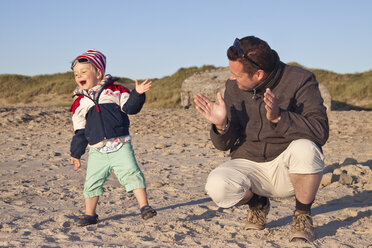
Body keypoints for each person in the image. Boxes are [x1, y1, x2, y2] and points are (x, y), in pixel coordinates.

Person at [194, 36, 328, 242]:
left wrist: (280, 117)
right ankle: (258, 204)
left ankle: (302, 215)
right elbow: (224, 145)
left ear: (258, 74)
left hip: (287, 168)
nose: (231, 79)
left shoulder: (300, 79)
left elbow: (320, 131)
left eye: (236, 75)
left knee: (307, 149)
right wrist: (221, 125)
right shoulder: (233, 87)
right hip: (249, 164)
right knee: (217, 185)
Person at [69, 49, 157, 226]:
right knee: (92, 182)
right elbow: (80, 131)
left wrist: (138, 94)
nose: (79, 76)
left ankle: (144, 207)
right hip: (97, 151)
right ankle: (90, 214)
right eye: (76, 74)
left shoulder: (116, 90)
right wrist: (76, 153)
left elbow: (130, 108)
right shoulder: (79, 102)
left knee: (132, 174)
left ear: (99, 73)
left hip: (120, 145)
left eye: (84, 72)